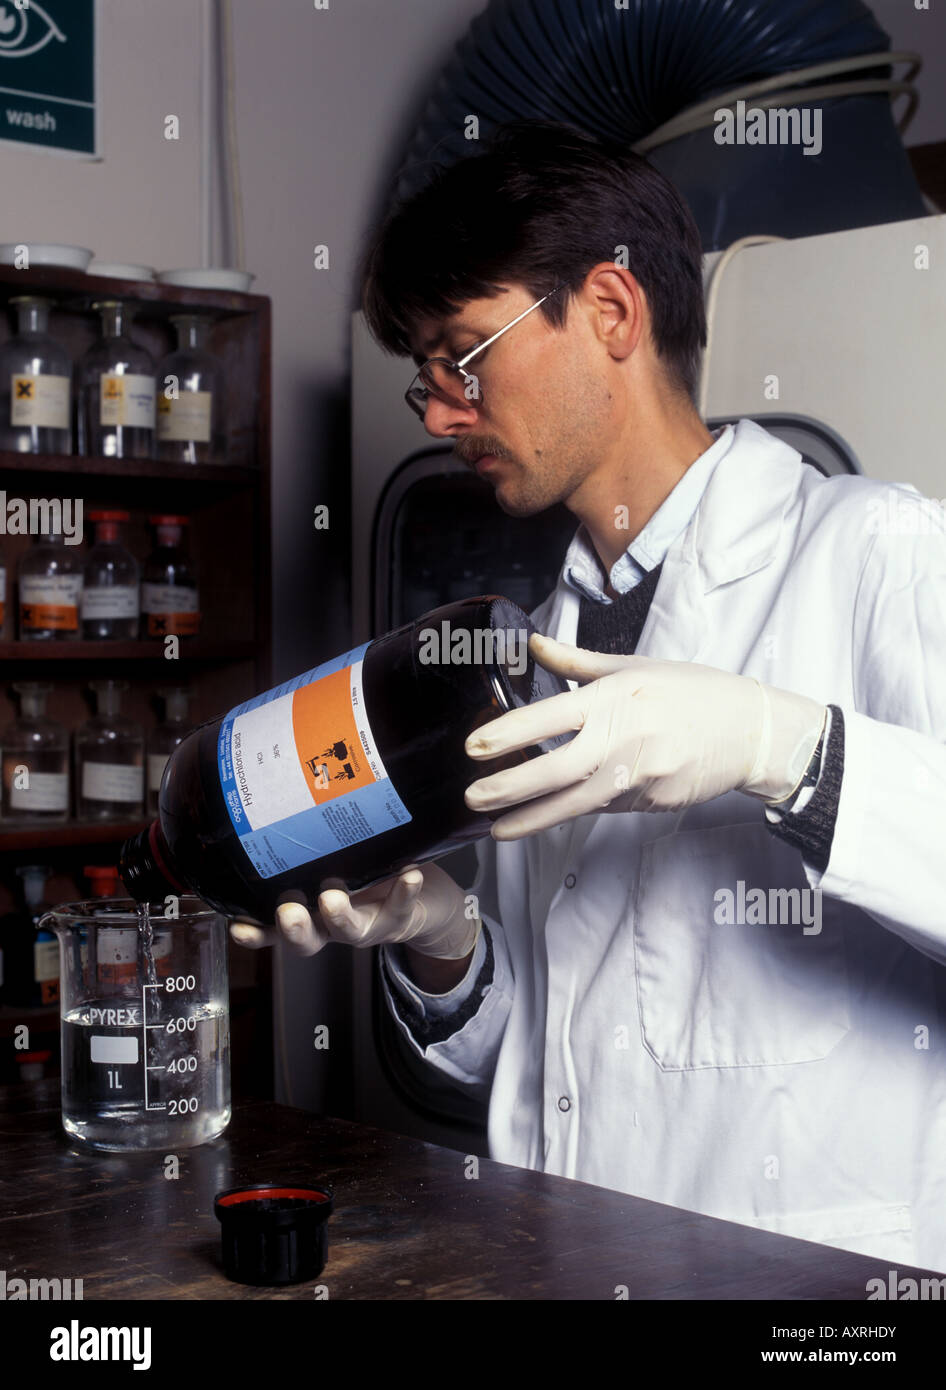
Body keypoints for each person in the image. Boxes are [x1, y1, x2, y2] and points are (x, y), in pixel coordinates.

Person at [234, 121, 946, 1273]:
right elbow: (563, 1067)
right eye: (423, 379)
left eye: (463, 357)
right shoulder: (542, 639)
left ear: (609, 311)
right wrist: (441, 938)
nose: (437, 415)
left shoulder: (873, 551)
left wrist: (785, 749)